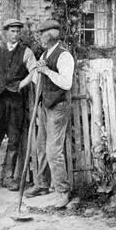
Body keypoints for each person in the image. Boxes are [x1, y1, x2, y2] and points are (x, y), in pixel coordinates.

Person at [0, 19, 36, 195]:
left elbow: (34, 70)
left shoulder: (26, 51)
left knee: (13, 139)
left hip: (15, 102)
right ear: (6, 33)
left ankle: (8, 178)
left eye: (18, 31)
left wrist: (21, 85)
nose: (15, 34)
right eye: (12, 31)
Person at [25, 19, 75, 209]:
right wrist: (38, 72)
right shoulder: (45, 54)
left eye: (41, 34)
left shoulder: (64, 56)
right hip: (45, 106)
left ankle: (63, 191)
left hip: (59, 107)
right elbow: (40, 82)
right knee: (40, 147)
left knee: (54, 151)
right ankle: (42, 184)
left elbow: (66, 83)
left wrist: (46, 70)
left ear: (49, 36)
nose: (39, 37)